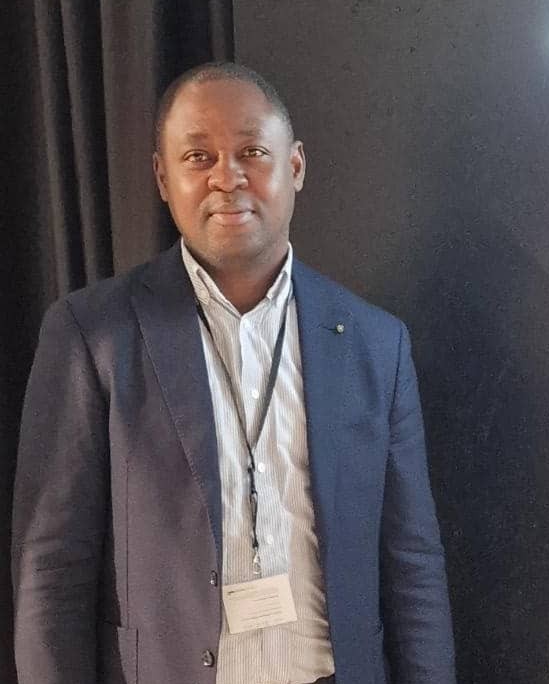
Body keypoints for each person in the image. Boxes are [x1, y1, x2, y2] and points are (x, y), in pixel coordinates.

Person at [11, 62, 455, 684]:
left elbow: (412, 562)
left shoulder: (376, 343)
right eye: (198, 157)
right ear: (163, 178)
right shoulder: (93, 334)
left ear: (295, 166)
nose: (227, 177)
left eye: (252, 152)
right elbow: (52, 566)